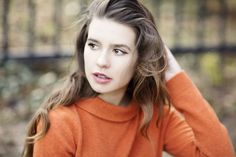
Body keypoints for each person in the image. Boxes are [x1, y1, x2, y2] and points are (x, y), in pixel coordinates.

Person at [22, 0, 235, 156]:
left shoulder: (155, 115)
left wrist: (174, 76)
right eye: (94, 45)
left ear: (141, 58)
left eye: (119, 51)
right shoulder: (60, 123)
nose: (101, 61)